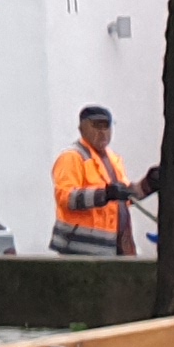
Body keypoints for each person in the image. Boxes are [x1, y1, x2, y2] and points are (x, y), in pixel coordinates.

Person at [49, 106, 153, 257]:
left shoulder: (113, 159)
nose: (103, 132)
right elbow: (67, 198)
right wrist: (104, 194)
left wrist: (148, 184)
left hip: (113, 250)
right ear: (81, 129)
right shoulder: (72, 157)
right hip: (80, 252)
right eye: (97, 125)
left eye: (107, 126)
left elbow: (124, 199)